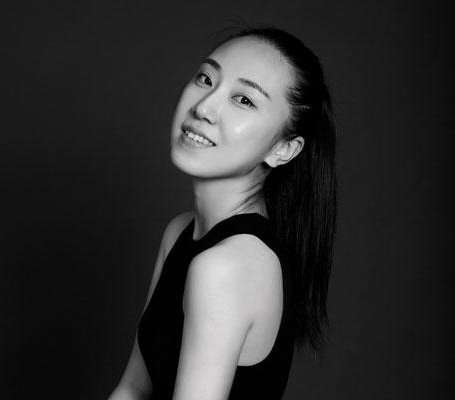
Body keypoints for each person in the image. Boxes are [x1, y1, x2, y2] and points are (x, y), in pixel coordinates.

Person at [108, 26, 337, 400]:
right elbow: (133, 388)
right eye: (205, 79)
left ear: (283, 149)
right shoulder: (180, 232)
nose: (203, 107)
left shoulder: (228, 265)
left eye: (243, 100)